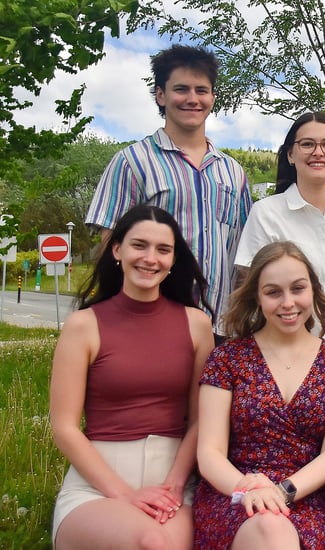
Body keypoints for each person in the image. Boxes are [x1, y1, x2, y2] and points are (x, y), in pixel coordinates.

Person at [50, 204, 216, 549]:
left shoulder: (197, 325)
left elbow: (201, 419)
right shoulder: (83, 326)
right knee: (151, 542)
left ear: (173, 260)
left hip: (174, 484)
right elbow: (64, 427)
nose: (150, 258)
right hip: (96, 488)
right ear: (117, 250)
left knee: (161, 543)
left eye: (163, 249)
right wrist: (123, 494)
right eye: (139, 245)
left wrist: (175, 483)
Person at [194, 241, 325, 550]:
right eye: (273, 292)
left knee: (274, 529)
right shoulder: (227, 358)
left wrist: (281, 491)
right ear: (257, 297)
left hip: (306, 498)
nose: (288, 302)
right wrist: (250, 491)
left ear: (313, 291)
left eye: (298, 289)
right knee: (269, 528)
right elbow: (209, 452)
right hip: (234, 494)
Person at [85, 44, 253, 340]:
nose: (192, 99)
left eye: (201, 90)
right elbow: (111, 243)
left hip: (221, 327)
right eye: (181, 89)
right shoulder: (132, 162)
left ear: (213, 97)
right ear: (160, 95)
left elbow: (243, 255)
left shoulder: (234, 172)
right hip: (152, 324)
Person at [234, 112, 325, 378]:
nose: (318, 152)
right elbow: (249, 293)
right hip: (291, 374)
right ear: (290, 155)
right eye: (307, 144)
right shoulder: (266, 213)